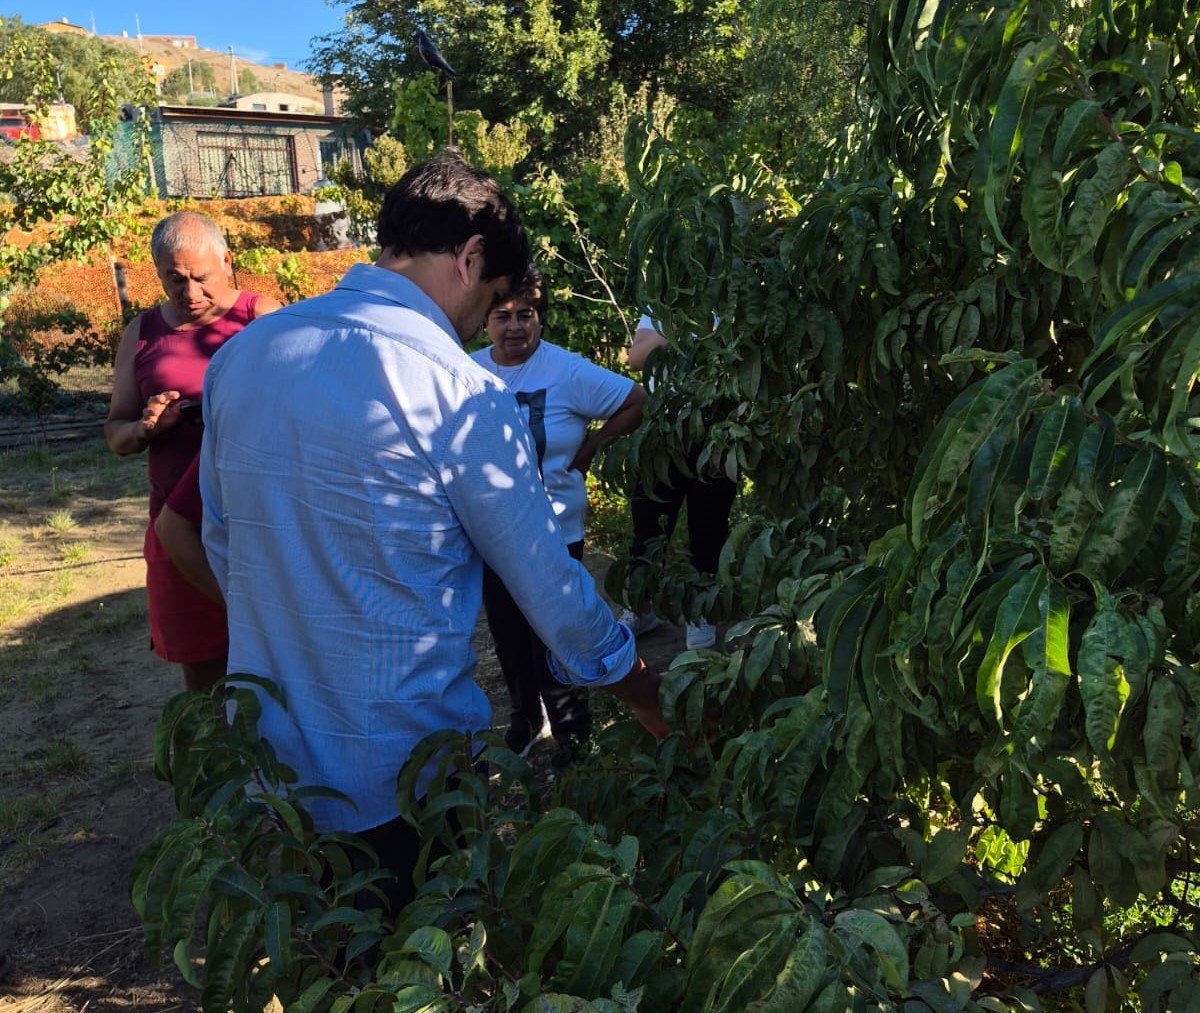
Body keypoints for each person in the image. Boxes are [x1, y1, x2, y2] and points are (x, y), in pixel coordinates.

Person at [200, 151, 666, 913]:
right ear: (470, 257)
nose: (483, 323)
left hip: (273, 760)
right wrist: (641, 688)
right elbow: (546, 581)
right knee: (417, 946)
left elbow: (225, 544)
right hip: (406, 770)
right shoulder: (458, 390)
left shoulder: (246, 355)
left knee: (323, 947)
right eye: (492, 300)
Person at [471, 265, 647, 768]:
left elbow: (635, 400)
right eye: (503, 315)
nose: (515, 326)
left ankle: (573, 733)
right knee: (507, 633)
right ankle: (525, 719)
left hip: (553, 532)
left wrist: (592, 448)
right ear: (485, 320)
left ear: (540, 318)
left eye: (526, 314)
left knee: (554, 636)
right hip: (491, 532)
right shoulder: (466, 372)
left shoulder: (565, 371)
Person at [104, 212, 280, 692]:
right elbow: (115, 433)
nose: (190, 293)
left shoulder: (262, 318)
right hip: (178, 531)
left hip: (258, 525)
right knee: (205, 683)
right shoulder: (142, 332)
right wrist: (145, 428)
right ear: (157, 273)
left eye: (200, 277)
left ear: (227, 261)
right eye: (174, 280)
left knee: (279, 666)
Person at [618, 312, 738, 650]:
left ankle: (702, 612)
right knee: (647, 524)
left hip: (715, 432)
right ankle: (641, 607)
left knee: (709, 527)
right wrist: (689, 325)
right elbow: (636, 358)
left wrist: (673, 334)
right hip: (663, 431)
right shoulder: (661, 307)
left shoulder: (728, 303)